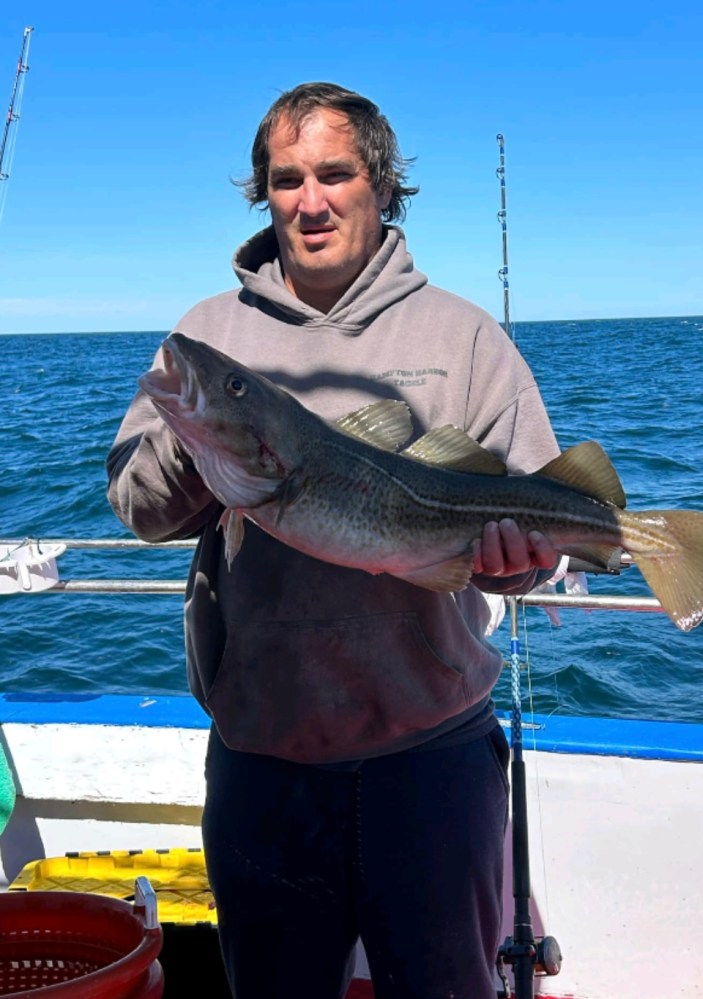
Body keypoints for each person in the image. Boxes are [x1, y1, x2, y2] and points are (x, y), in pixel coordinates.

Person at [107, 82, 560, 999]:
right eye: (285, 179)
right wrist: (206, 447)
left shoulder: (465, 336)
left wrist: (529, 561)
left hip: (432, 761)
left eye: (334, 173)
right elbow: (135, 506)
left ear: (379, 184)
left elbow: (537, 535)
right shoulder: (205, 337)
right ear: (263, 193)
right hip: (264, 762)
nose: (309, 201)